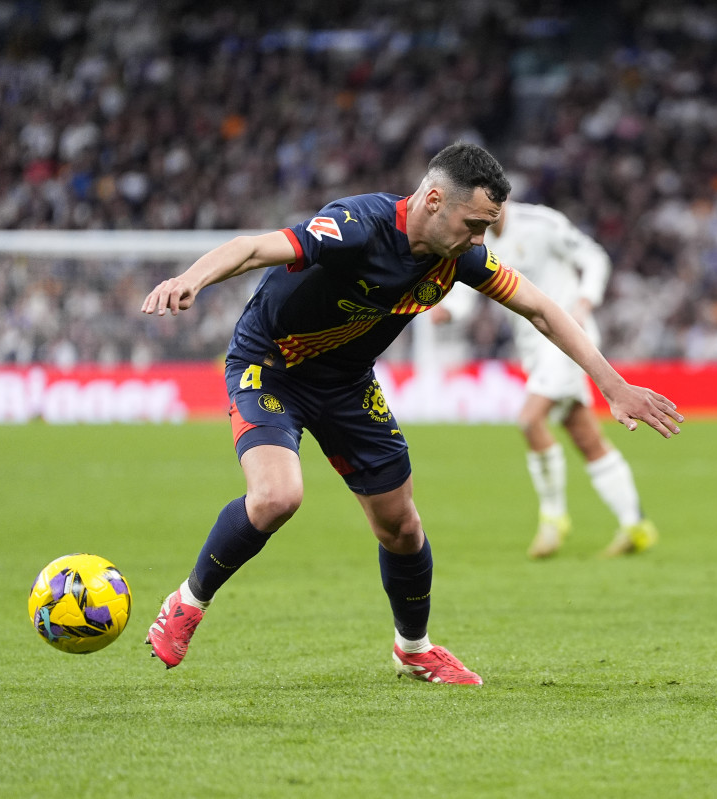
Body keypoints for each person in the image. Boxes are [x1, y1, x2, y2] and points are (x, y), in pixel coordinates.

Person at [140, 142, 684, 685]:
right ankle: (187, 601)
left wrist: (614, 386)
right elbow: (255, 247)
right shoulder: (356, 225)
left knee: (401, 526)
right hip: (271, 366)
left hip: (347, 385)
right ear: (432, 200)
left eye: (488, 228)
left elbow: (542, 309)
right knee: (278, 496)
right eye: (473, 224)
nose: (480, 241)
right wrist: (192, 279)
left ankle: (413, 648)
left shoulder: (460, 257)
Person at [435, 201, 658, 558]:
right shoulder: (476, 239)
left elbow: (594, 256)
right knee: (585, 437)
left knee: (529, 419)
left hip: (570, 340)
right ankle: (635, 525)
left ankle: (553, 520)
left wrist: (585, 300)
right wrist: (449, 311)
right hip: (534, 349)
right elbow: (467, 283)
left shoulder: (541, 223)